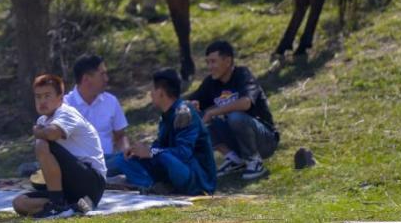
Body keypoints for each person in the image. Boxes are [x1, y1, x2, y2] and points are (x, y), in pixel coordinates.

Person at [12, 74, 107, 218]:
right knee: (19, 203)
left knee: (42, 143)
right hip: (71, 187)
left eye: (47, 96)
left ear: (60, 97)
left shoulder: (67, 112)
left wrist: (36, 131)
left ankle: (57, 205)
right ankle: (71, 207)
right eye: (38, 97)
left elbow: (51, 134)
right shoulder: (43, 120)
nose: (42, 101)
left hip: (92, 183)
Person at [111, 69, 216, 195]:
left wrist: (151, 152)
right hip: (173, 169)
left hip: (197, 178)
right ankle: (151, 186)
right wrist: (139, 151)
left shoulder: (184, 113)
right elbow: (160, 147)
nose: (151, 94)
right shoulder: (168, 114)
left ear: (161, 92)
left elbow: (183, 153)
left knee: (165, 157)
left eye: (153, 90)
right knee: (124, 159)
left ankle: (152, 186)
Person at [185, 40, 279, 180]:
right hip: (237, 140)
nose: (210, 67)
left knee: (235, 116)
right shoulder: (211, 83)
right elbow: (191, 101)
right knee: (194, 117)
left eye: (213, 62)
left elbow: (246, 103)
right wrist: (189, 105)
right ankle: (234, 159)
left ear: (228, 61)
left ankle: (254, 160)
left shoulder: (243, 75)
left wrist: (212, 112)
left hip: (265, 140)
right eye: (208, 62)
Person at [64, 54, 129, 176]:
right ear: (86, 79)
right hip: (77, 163)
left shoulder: (111, 101)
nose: (107, 79)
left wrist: (126, 151)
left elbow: (120, 136)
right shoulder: (65, 105)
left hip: (106, 161)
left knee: (126, 160)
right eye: (102, 74)